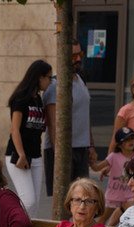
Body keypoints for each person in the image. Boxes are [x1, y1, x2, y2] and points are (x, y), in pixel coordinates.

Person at [43, 42, 93, 198]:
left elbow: (86, 116)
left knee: (83, 198)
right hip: (62, 151)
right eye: (73, 56)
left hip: (82, 148)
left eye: (80, 55)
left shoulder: (81, 80)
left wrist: (91, 145)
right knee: (63, 199)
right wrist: (59, 154)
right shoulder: (55, 86)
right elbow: (52, 123)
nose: (78, 59)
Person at [5, 59, 51, 213]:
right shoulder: (21, 98)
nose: (50, 82)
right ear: (40, 77)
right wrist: (21, 154)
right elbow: (15, 129)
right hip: (18, 155)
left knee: (35, 204)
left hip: (36, 156)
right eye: (49, 78)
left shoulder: (38, 99)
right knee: (28, 201)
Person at [92, 127, 134, 226]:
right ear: (120, 145)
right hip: (113, 195)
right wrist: (91, 160)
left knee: (133, 220)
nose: (131, 142)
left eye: (132, 139)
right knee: (101, 221)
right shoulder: (114, 156)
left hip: (129, 196)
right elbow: (97, 168)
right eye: (127, 140)